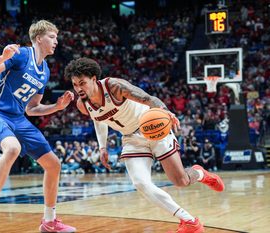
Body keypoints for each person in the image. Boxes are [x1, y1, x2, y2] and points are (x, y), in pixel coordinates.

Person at [65, 57, 225, 233]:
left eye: (82, 83)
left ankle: (200, 173)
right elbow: (99, 119)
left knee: (180, 181)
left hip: (154, 128)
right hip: (131, 139)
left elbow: (149, 98)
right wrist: (102, 147)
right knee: (141, 183)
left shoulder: (115, 87)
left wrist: (166, 111)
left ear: (94, 79)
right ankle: (189, 221)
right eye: (75, 84)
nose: (79, 88)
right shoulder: (82, 104)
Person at [0, 20, 76, 233]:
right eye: (52, 37)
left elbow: (32, 109)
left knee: (54, 164)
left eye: (56, 37)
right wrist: (3, 57)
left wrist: (57, 106)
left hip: (18, 118)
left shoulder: (45, 71)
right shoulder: (20, 55)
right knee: (12, 148)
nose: (56, 41)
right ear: (39, 38)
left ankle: (49, 221)